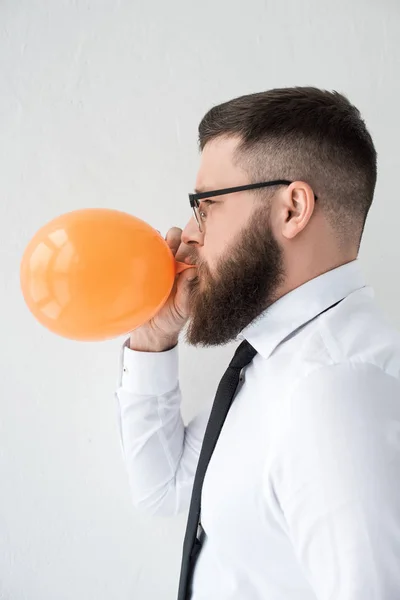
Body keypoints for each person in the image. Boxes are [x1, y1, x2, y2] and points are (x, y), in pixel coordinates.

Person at [115, 87, 400, 599]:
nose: (191, 235)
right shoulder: (277, 358)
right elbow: (166, 489)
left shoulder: (333, 390)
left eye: (208, 206)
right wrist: (155, 337)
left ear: (292, 208)